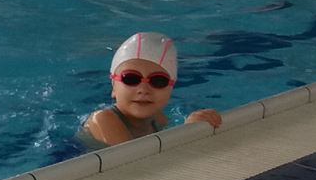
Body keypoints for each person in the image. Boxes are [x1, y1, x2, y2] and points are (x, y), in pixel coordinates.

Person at [78, 32, 224, 147]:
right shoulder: (103, 119)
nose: (143, 89)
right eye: (131, 79)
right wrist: (186, 132)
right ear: (113, 87)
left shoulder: (157, 118)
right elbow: (134, 161)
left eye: (158, 81)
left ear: (170, 88)